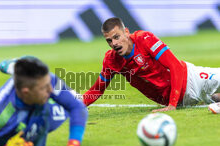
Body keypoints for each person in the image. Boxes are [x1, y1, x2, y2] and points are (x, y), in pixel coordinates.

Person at [82, 17, 220, 113]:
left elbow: (175, 66)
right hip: (182, 101)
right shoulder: (111, 61)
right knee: (213, 98)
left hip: (191, 79)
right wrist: (75, 106)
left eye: (116, 37)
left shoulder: (144, 39)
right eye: (109, 41)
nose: (114, 44)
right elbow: (96, 90)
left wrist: (172, 105)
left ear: (126, 32)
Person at [0, 57, 88, 146]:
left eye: (49, 84)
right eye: (44, 88)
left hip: (43, 110)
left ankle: (11, 65)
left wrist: (74, 143)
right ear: (26, 92)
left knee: (76, 99)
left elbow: (77, 107)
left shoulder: (46, 79)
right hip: (17, 114)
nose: (50, 90)